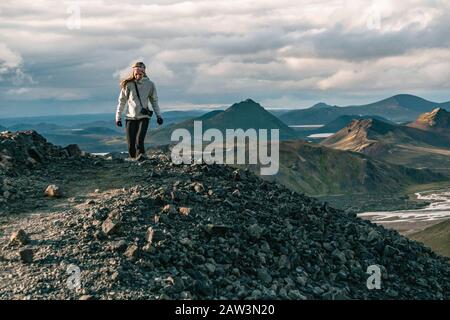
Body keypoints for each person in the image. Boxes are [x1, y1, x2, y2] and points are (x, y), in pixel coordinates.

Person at [116, 61, 163, 160]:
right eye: (136, 73)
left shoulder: (150, 84)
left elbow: (154, 101)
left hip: (144, 117)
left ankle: (142, 162)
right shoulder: (128, 84)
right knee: (130, 145)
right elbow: (122, 101)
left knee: (139, 141)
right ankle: (133, 163)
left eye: (140, 74)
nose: (138, 76)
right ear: (133, 73)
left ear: (144, 72)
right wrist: (118, 117)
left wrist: (159, 116)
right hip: (130, 117)